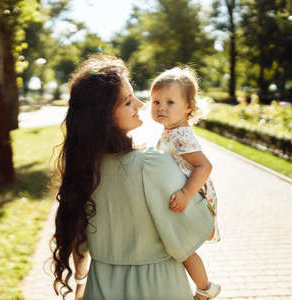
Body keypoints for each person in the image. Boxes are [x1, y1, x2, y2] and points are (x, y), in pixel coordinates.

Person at [51, 55, 214, 300]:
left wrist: (81, 283)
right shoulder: (152, 166)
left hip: (102, 287)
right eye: (128, 102)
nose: (140, 104)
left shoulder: (82, 169)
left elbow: (78, 241)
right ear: (104, 115)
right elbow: (196, 228)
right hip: (159, 287)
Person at [150, 66, 221, 299]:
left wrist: (186, 194)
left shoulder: (180, 135)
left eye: (170, 102)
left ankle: (205, 288)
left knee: (183, 249)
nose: (161, 107)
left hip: (193, 199)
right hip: (187, 199)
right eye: (156, 101)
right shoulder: (172, 131)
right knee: (178, 248)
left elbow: (204, 166)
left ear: (188, 107)